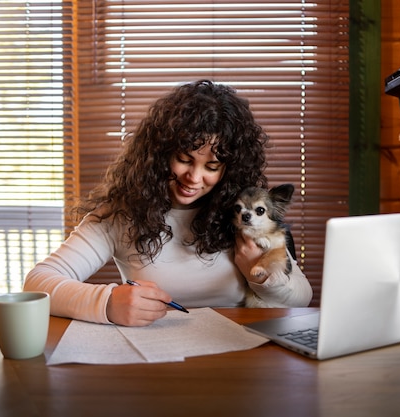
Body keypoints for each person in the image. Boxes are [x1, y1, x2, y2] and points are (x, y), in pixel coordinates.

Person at [23, 80, 312, 326]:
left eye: (211, 167)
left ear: (229, 169)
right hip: (155, 358)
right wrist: (107, 303)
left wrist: (259, 275)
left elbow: (303, 297)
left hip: (242, 354)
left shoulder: (245, 214)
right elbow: (37, 282)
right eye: (184, 160)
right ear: (160, 153)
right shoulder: (121, 214)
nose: (194, 178)